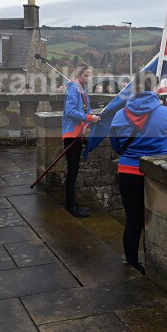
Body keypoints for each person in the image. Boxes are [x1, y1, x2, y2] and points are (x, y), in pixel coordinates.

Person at [109, 70, 167, 275]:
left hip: (128, 173)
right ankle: (158, 264)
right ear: (155, 87)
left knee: (133, 219)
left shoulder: (120, 115)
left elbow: (116, 145)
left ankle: (132, 262)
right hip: (157, 174)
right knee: (158, 219)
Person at [62, 63, 101, 217]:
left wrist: (87, 122)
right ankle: (70, 206)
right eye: (86, 76)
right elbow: (70, 111)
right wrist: (90, 118)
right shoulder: (73, 89)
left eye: (90, 76)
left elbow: (86, 110)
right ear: (78, 75)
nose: (88, 79)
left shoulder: (83, 90)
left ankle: (72, 203)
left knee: (74, 170)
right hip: (71, 135)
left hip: (78, 134)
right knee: (72, 171)